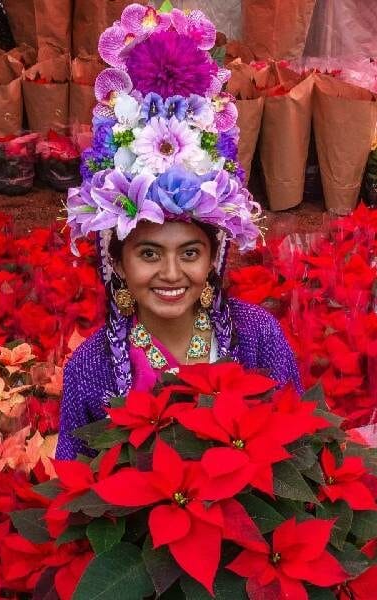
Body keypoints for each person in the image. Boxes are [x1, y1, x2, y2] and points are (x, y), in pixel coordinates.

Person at [55, 3, 300, 460]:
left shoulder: (258, 338)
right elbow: (77, 495)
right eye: (149, 254)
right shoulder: (90, 368)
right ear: (117, 262)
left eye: (190, 253)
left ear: (215, 258)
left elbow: (297, 446)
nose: (172, 273)